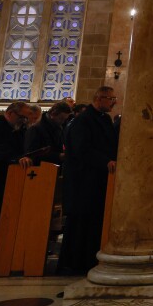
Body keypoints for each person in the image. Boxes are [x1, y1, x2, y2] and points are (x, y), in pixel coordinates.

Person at [58, 86, 118, 274]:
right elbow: (81, 149)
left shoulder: (104, 119)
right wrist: (105, 161)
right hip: (83, 181)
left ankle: (90, 260)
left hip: (98, 180)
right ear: (99, 98)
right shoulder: (82, 121)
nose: (114, 102)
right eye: (110, 99)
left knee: (94, 223)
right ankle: (73, 264)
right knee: (80, 224)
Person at [0, 102, 34, 274]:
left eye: (26, 118)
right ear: (10, 113)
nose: (24, 121)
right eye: (22, 117)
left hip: (6, 182)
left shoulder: (17, 129)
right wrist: (16, 158)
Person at [24, 100, 72, 165]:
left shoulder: (59, 127)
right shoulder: (35, 129)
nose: (63, 122)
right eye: (61, 118)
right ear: (53, 114)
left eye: (65, 119)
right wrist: (58, 156)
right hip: (40, 168)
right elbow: (31, 154)